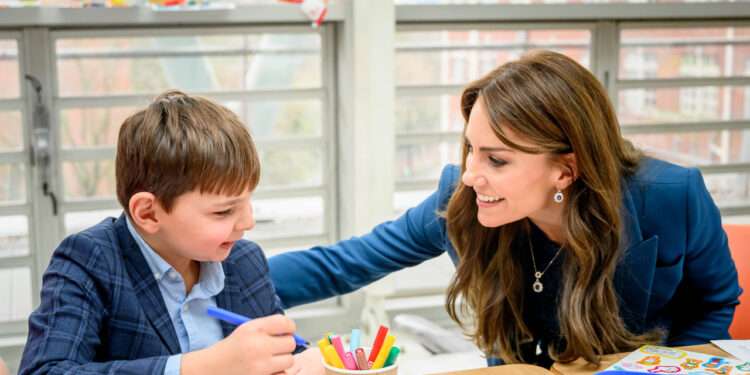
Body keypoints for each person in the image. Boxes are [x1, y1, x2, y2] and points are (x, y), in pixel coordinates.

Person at [269, 50, 741, 367]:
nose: (472, 174)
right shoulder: (463, 196)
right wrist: (217, 283)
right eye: (471, 149)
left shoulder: (671, 196)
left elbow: (715, 302)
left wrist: (666, 371)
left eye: (497, 159)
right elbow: (346, 262)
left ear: (565, 170)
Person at [19, 91, 322, 375]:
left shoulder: (244, 261)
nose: (247, 222)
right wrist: (202, 367)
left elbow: (280, 351)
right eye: (223, 211)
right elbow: (47, 371)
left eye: (247, 202)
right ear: (148, 213)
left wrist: (301, 360)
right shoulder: (90, 260)